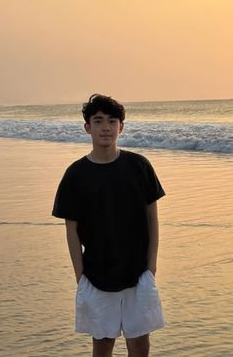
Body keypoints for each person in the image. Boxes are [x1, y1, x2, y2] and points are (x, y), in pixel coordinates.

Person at [52, 94, 166, 357]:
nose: (106, 127)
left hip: (138, 274)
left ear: (121, 127)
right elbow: (71, 230)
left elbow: (153, 217)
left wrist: (151, 266)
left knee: (139, 345)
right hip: (96, 275)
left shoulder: (139, 166)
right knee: (102, 345)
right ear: (87, 127)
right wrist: (80, 277)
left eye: (112, 121)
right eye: (99, 120)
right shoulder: (76, 175)